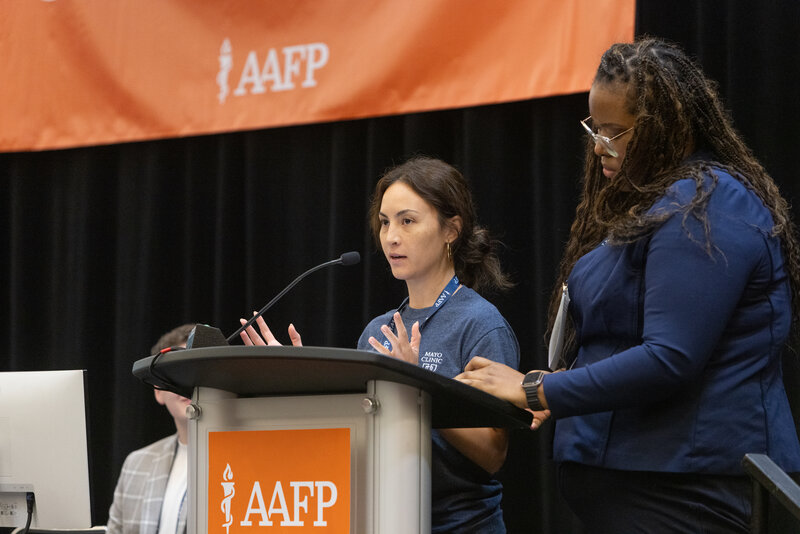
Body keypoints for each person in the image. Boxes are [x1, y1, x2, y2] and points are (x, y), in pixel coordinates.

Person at [455, 37, 800, 533]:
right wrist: (548, 384)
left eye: (614, 131)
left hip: (693, 492)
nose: (599, 144)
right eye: (595, 127)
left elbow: (670, 358)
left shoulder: (708, 205)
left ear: (665, 129)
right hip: (638, 488)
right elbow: (620, 342)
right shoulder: (653, 204)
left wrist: (537, 390)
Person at [240, 156, 520, 533]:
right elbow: (356, 432)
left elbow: (493, 454)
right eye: (385, 222)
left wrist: (419, 386)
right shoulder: (378, 329)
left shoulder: (481, 325)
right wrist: (297, 381)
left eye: (407, 220)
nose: (390, 236)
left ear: (451, 230)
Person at [107, 323, 196, 534]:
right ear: (158, 391)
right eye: (176, 372)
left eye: (194, 370)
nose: (186, 383)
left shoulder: (247, 459)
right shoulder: (136, 464)